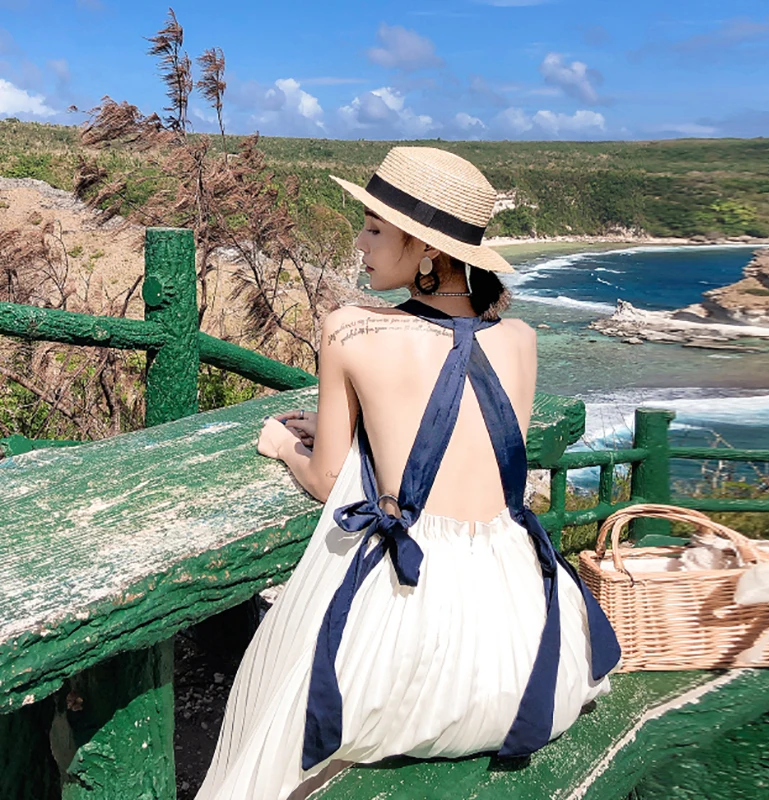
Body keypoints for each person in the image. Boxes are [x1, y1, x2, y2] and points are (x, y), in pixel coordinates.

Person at [196, 147, 620, 800]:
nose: (358, 243)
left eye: (372, 228)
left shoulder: (349, 331)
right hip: (524, 641)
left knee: (272, 718)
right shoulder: (522, 338)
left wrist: (285, 444)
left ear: (424, 249)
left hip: (411, 638)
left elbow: (325, 477)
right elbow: (456, 426)